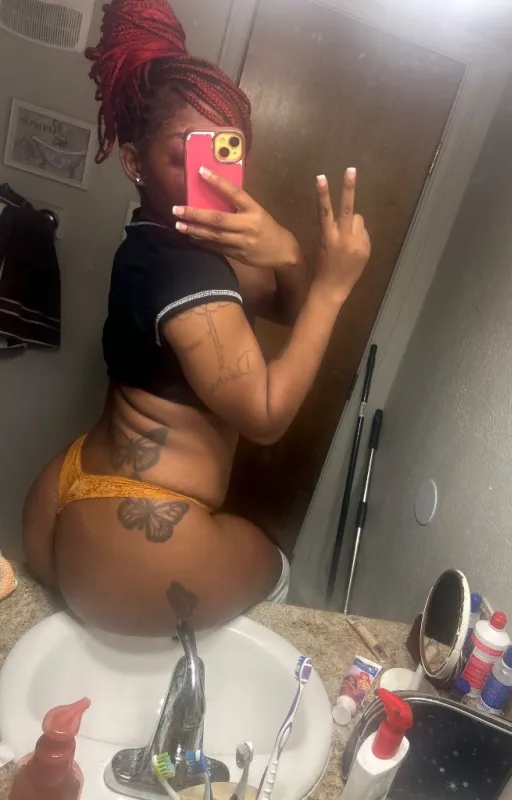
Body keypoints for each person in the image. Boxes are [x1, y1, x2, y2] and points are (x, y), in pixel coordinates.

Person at [22, 0, 370, 635]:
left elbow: (281, 306)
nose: (208, 171)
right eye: (184, 152)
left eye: (225, 148)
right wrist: (334, 286)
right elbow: (265, 414)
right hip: (144, 534)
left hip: (72, 488)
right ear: (134, 163)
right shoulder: (187, 269)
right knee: (276, 570)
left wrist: (288, 253)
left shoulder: (162, 240)